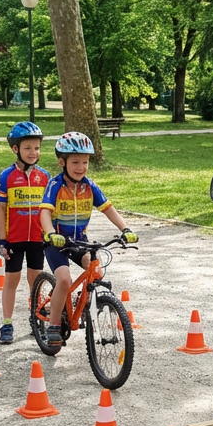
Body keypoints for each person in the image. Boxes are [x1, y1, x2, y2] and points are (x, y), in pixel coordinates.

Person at [38, 132, 137, 353]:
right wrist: (50, 232)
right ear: (62, 162)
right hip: (56, 242)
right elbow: (44, 213)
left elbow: (108, 209)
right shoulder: (55, 185)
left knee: (97, 271)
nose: (81, 167)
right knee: (63, 280)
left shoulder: (89, 186)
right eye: (75, 162)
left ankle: (82, 304)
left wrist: (125, 228)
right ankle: (54, 324)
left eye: (85, 162)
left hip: (79, 241)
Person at [0, 122, 49, 344]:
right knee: (11, 279)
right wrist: (2, 239)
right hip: (14, 239)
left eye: (36, 148)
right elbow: (0, 209)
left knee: (35, 280)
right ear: (15, 149)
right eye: (27, 148)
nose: (33, 152)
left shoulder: (45, 176)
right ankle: (7, 323)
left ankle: (37, 319)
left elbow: (49, 210)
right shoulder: (7, 176)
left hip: (37, 238)